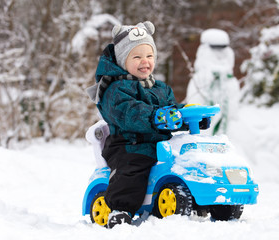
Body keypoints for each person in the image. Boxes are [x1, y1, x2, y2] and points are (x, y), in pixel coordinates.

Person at [87, 21, 209, 228]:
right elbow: (130, 113)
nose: (145, 61)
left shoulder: (160, 88)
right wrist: (156, 117)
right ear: (122, 60)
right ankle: (120, 208)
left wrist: (189, 116)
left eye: (149, 56)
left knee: (190, 158)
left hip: (160, 145)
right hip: (128, 144)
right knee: (133, 167)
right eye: (137, 57)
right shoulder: (115, 90)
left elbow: (171, 112)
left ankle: (205, 199)